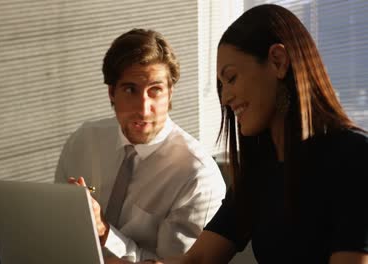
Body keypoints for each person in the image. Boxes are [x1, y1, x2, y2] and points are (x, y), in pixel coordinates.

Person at [136, 4, 368, 264]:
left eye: (231, 78)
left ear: (278, 62)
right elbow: (198, 259)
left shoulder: (355, 157)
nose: (225, 98)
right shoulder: (260, 169)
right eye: (221, 86)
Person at [54, 28, 226, 262]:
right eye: (130, 90)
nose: (143, 109)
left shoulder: (196, 177)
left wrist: (104, 233)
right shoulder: (83, 141)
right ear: (111, 93)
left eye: (155, 90)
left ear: (170, 93)